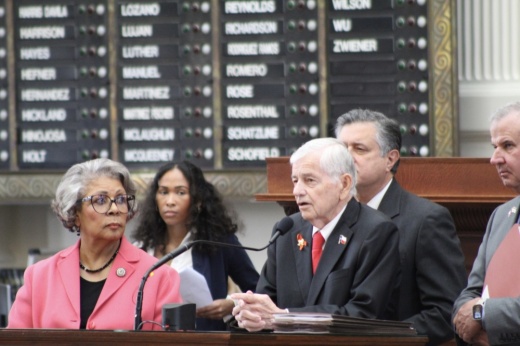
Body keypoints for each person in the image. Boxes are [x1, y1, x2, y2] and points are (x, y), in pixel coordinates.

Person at [231, 137, 401, 332]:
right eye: (295, 181)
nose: (297, 191)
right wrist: (250, 315)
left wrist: (286, 318)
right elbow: (266, 304)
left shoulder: (376, 231)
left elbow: (362, 313)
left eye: (309, 180)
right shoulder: (286, 231)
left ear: (344, 184)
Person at [335, 109, 467, 345]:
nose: (347, 157)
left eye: (359, 149)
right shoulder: (332, 218)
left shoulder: (427, 220)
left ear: (390, 159)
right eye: (342, 149)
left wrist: (380, 337)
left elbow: (446, 312)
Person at [7, 158, 181, 330]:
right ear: (75, 212)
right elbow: (14, 340)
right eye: (100, 200)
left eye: (121, 199)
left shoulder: (158, 277)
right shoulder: (39, 277)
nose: (114, 209)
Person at [133, 160, 259, 331]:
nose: (170, 201)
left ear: (197, 200)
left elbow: (258, 288)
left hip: (203, 339)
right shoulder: (141, 246)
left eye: (180, 192)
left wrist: (232, 304)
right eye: (163, 192)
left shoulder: (217, 242)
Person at [453, 102, 520, 346]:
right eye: (494, 147)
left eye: (507, 146)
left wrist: (481, 314)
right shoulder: (501, 216)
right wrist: (471, 323)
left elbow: (477, 308)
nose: (494, 159)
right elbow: (470, 295)